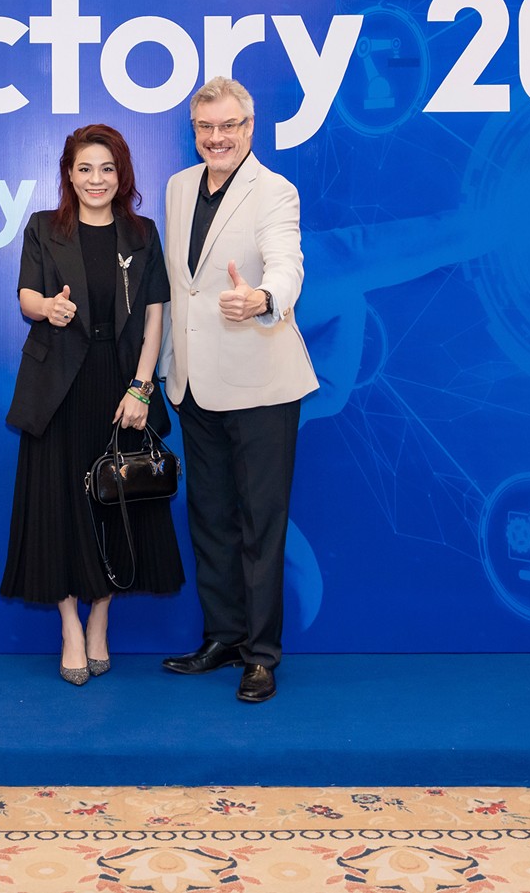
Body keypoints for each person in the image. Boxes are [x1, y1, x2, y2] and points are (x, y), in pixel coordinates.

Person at [2, 123, 184, 684]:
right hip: (57, 385)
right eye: (85, 169)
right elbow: (27, 295)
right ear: (69, 173)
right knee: (59, 506)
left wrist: (141, 387)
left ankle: (100, 618)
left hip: (119, 384)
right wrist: (47, 309)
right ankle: (70, 628)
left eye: (106, 169)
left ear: (121, 174)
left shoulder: (142, 234)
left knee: (115, 502)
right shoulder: (44, 227)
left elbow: (155, 317)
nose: (96, 179)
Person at [159, 76, 318, 703]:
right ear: (194, 131)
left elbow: (287, 263)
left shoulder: (275, 191)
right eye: (206, 127)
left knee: (261, 523)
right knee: (210, 519)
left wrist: (264, 298)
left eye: (229, 126)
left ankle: (261, 655)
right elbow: (182, 287)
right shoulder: (178, 188)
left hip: (261, 386)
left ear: (249, 128)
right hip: (194, 385)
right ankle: (223, 636)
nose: (217, 137)